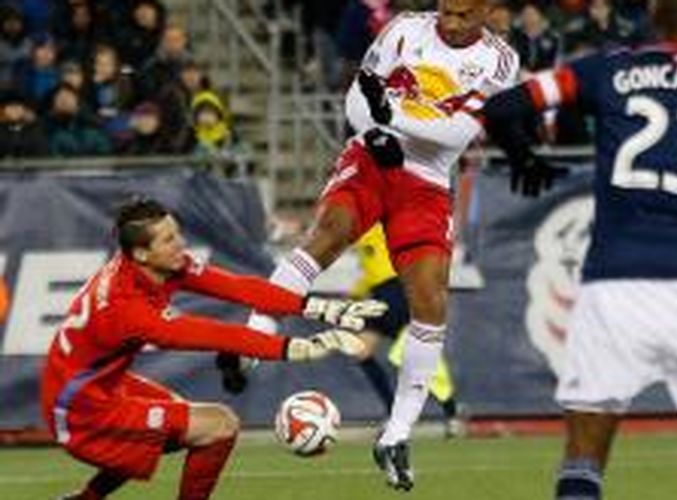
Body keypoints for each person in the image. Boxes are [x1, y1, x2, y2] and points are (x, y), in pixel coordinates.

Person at [243, 0, 557, 491]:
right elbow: (356, 97)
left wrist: (391, 115)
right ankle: (255, 332)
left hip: (428, 182)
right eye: (445, 11)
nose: (450, 23)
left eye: (462, 15)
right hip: (371, 156)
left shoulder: (501, 61)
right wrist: (374, 127)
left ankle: (396, 434)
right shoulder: (406, 29)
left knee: (431, 302)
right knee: (327, 235)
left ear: (488, 13)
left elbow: (460, 129)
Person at [482, 0, 677, 498]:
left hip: (614, 285)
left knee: (582, 458)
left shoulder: (606, 71)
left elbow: (502, 108)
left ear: (653, 13)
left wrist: (524, 157)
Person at [41, 197, 385, 500]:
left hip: (90, 386)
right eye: (169, 239)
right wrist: (296, 347)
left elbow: (240, 288)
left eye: (177, 233)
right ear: (142, 253)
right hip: (79, 410)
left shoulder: (150, 266)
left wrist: (321, 307)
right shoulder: (126, 308)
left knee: (174, 416)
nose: (181, 244)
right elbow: (216, 336)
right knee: (220, 425)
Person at [350, 223, 462, 437]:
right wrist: (356, 293)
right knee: (361, 351)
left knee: (416, 355)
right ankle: (394, 413)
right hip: (380, 294)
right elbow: (372, 271)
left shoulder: (380, 223)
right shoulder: (363, 234)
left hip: (398, 290)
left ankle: (451, 411)